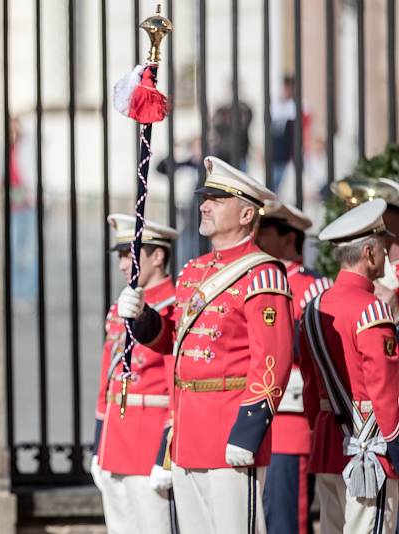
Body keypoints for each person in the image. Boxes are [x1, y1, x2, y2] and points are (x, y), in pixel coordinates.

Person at [118, 156, 294, 533]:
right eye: (205, 197)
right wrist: (144, 318)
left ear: (247, 214)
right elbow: (173, 341)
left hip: (231, 429)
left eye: (217, 199)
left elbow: (273, 359)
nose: (204, 205)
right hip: (188, 430)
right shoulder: (194, 270)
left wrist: (249, 431)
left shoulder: (262, 273)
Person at [300, 199, 399, 534]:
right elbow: (383, 391)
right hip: (371, 446)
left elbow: (312, 390)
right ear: (369, 254)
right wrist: (396, 444)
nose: (387, 255)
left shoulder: (313, 308)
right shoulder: (372, 311)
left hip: (329, 440)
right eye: (384, 248)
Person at [91, 215, 178, 534]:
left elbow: (175, 389)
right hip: (115, 441)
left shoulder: (174, 307)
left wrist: (164, 456)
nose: (123, 265)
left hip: (149, 442)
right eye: (121, 257)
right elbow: (106, 382)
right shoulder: (119, 308)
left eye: (131, 255)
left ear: (157, 256)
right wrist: (98, 445)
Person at [256, 201, 332, 534]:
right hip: (253, 421)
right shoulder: (254, 281)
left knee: (286, 522)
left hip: (289, 422)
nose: (255, 237)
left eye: (264, 231)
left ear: (289, 237)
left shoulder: (312, 286)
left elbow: (317, 351)